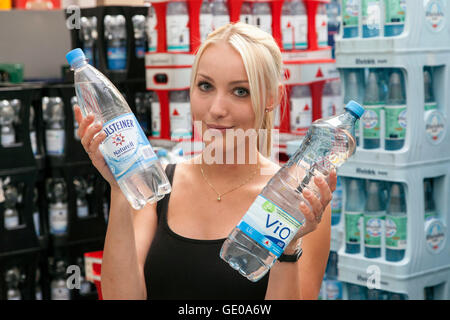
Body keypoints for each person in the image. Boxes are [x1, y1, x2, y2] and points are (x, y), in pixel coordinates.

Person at [74, 22, 336, 300]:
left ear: (271, 97)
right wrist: (119, 187)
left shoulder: (297, 201)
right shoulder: (159, 185)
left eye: (240, 91)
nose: (216, 109)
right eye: (205, 86)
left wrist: (289, 245)